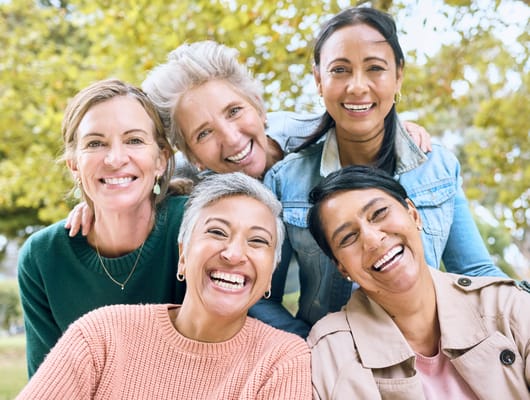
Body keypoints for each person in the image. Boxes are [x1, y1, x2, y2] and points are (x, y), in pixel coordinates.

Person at [255, 6, 508, 338]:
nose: (357, 87)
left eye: (375, 68)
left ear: (399, 75)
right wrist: (316, 349)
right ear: (319, 79)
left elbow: (477, 273)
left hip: (429, 356)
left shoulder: (438, 167)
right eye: (340, 70)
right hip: (335, 371)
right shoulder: (286, 180)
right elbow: (261, 295)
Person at [16, 173, 312, 400]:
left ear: (271, 275)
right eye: (217, 232)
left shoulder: (282, 360)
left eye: (258, 240)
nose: (233, 254)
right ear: (183, 255)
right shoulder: (101, 335)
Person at [306, 165, 530, 399]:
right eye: (348, 237)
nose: (372, 240)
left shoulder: (507, 305)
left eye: (379, 213)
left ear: (413, 214)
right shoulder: (329, 353)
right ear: (341, 267)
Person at [17, 79, 188, 377]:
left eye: (134, 140)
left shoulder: (194, 225)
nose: (115, 159)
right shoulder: (43, 257)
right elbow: (51, 387)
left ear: (161, 159)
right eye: (96, 144)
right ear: (74, 165)